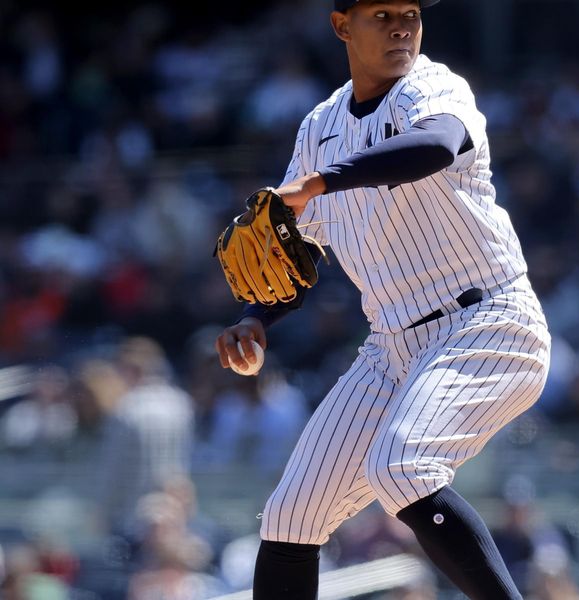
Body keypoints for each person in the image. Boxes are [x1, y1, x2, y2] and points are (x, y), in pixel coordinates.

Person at [214, 1, 551, 598]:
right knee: (291, 516)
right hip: (392, 346)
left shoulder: (434, 86)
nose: (402, 26)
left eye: (411, 12)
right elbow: (302, 248)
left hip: (488, 322)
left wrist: (318, 183)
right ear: (342, 25)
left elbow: (437, 147)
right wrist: (255, 317)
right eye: (382, 13)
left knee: (402, 468)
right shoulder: (320, 128)